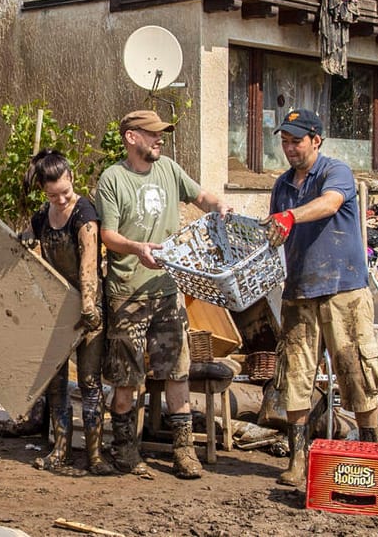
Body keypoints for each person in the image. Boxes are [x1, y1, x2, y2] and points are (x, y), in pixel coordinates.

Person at [94, 109, 230, 480]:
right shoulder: (113, 179)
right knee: (127, 376)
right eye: (152, 134)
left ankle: (183, 451)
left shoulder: (169, 169)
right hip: (127, 294)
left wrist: (218, 205)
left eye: (161, 134)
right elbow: (107, 234)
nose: (160, 139)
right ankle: (124, 448)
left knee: (177, 370)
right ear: (131, 137)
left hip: (167, 290)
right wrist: (137, 247)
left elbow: (200, 196)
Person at [263, 108, 378, 488]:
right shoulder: (282, 185)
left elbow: (330, 204)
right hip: (299, 291)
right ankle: (298, 458)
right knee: (294, 377)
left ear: (316, 140)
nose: (289, 148)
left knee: (356, 373)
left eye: (296, 141)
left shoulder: (336, 172)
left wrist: (290, 217)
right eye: (284, 141)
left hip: (343, 290)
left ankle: (372, 454)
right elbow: (275, 232)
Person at [26, 150, 111, 475]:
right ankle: (60, 450)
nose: (61, 199)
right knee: (56, 382)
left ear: (72, 179)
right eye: (53, 195)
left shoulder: (85, 212)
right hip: (57, 311)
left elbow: (89, 262)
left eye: (65, 191)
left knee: (90, 381)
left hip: (89, 306)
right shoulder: (39, 219)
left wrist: (89, 306)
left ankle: (95, 455)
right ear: (43, 192)